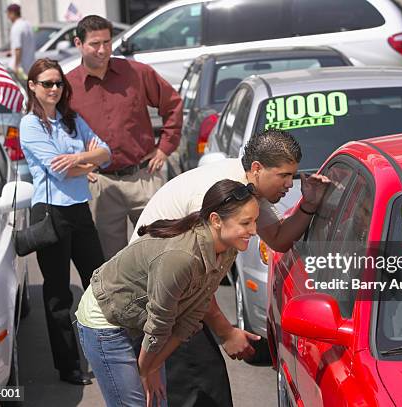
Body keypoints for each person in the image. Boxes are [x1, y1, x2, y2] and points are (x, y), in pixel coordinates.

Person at [129, 129, 330, 407]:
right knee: (201, 390)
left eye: (292, 175)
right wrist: (227, 333)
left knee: (205, 387)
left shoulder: (246, 187)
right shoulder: (221, 193)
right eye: (283, 176)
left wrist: (308, 204)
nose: (289, 184)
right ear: (258, 169)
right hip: (156, 300)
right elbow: (194, 279)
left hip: (178, 297)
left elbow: (279, 239)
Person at [76, 179, 259, 407]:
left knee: (157, 401)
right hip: (106, 319)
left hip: (146, 321)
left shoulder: (228, 248)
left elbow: (192, 315)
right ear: (216, 220)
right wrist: (145, 371)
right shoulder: (181, 257)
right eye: (246, 223)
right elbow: (159, 324)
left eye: (255, 221)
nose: (253, 230)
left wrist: (152, 366)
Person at [20, 58, 111, 385]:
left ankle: (104, 353)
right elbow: (60, 170)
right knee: (58, 294)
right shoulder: (31, 125)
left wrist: (79, 158)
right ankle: (69, 365)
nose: (54, 89)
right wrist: (87, 163)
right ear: (32, 86)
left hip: (79, 209)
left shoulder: (71, 119)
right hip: (51, 214)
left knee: (98, 285)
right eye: (46, 83)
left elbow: (106, 151)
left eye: (58, 83)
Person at [66, 15, 183, 260]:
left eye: (107, 43)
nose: (102, 50)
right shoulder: (68, 87)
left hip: (144, 176)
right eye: (95, 44)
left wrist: (164, 147)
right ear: (78, 43)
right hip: (100, 184)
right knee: (113, 263)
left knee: (161, 254)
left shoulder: (137, 73)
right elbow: (58, 129)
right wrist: (78, 164)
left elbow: (172, 105)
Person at [6, 3, 35, 79]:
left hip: (20, 69)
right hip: (30, 66)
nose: (8, 17)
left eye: (8, 14)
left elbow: (18, 48)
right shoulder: (27, 24)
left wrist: (16, 66)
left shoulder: (16, 27)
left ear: (12, 13)